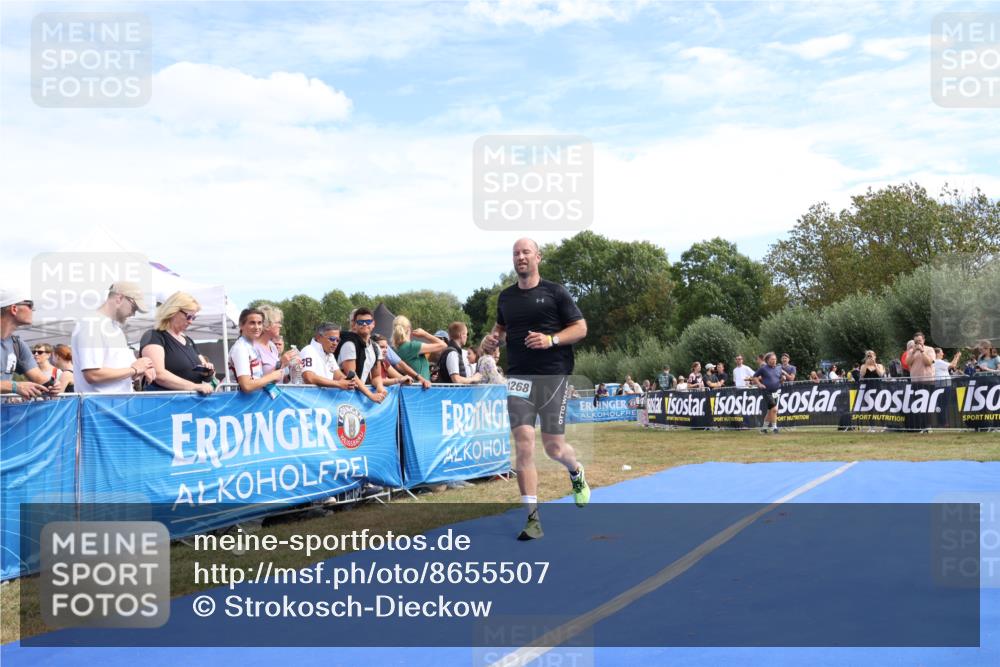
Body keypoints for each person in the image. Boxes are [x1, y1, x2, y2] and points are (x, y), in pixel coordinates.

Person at [482, 238, 589, 541]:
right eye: (515, 253)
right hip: (519, 377)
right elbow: (500, 330)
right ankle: (533, 519)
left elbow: (580, 328)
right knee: (524, 443)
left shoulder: (555, 292)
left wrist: (551, 340)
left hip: (553, 376)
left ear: (538, 257)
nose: (520, 257)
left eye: (526, 252)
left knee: (553, 448)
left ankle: (575, 470)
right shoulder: (506, 297)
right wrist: (491, 340)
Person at [71, 282, 154, 393]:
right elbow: (93, 375)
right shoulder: (92, 324)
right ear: (119, 298)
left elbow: (124, 367)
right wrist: (134, 370)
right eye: (134, 308)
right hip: (100, 406)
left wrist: (143, 367)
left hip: (114, 404)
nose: (133, 314)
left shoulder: (113, 328)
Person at [139, 292, 216, 394]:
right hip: (166, 403)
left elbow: (205, 374)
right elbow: (159, 375)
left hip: (190, 402)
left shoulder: (188, 340)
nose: (191, 321)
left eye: (193, 318)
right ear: (174, 311)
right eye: (189, 316)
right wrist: (194, 386)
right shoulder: (154, 336)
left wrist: (207, 372)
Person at [1, 288, 63, 398]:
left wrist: (52, 385)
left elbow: (39, 378)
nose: (33, 309)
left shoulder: (17, 345)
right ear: (14, 309)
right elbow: (16, 386)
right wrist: (14, 386)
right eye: (30, 305)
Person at [229, 308, 295, 393]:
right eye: (252, 323)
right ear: (241, 325)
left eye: (259, 323)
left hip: (257, 400)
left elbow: (259, 380)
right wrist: (273, 375)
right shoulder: (241, 348)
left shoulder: (249, 346)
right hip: (244, 403)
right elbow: (246, 385)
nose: (257, 327)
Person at [336, 307, 388, 403]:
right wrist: (371, 395)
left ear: (373, 324)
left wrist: (380, 388)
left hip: (358, 395)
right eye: (360, 322)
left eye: (368, 321)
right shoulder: (349, 344)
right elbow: (351, 375)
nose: (364, 324)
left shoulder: (376, 347)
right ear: (354, 325)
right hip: (342, 395)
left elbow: (376, 376)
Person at [299, 323, 356, 390]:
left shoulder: (329, 354)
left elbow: (338, 376)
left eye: (337, 340)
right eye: (332, 339)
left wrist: (348, 382)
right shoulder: (309, 350)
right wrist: (338, 384)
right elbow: (309, 378)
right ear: (319, 337)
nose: (335, 343)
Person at [391, 315, 447, 383]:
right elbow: (443, 345)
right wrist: (425, 334)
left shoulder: (395, 349)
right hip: (421, 388)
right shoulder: (412, 346)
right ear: (409, 329)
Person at [750, 352, 789, 434]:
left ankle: (764, 429)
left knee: (770, 411)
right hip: (766, 391)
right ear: (767, 360)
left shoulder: (779, 368)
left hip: (776, 392)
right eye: (772, 359)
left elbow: (780, 379)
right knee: (774, 409)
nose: (774, 361)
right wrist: (759, 384)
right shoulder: (763, 368)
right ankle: (774, 428)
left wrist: (783, 379)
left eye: (775, 359)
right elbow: (754, 377)